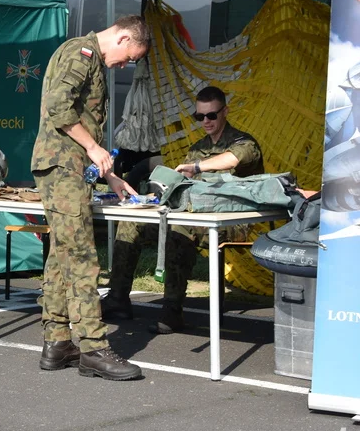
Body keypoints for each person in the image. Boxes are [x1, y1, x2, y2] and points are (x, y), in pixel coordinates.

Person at [31, 15, 150, 381]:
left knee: (62, 254)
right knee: (82, 256)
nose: (126, 65)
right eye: (130, 56)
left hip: (69, 167)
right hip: (62, 167)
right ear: (123, 37)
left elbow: (79, 120)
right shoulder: (82, 54)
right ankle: (94, 348)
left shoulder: (89, 58)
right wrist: (96, 147)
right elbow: (59, 108)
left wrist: (111, 176)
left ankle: (57, 342)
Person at [101, 86, 263, 334]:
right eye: (200, 117)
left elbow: (233, 159)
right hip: (194, 214)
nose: (206, 122)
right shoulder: (198, 148)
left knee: (177, 230)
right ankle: (118, 298)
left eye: (211, 115)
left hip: (233, 221)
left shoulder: (244, 142)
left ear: (225, 112)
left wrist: (197, 167)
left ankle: (172, 310)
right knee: (131, 222)